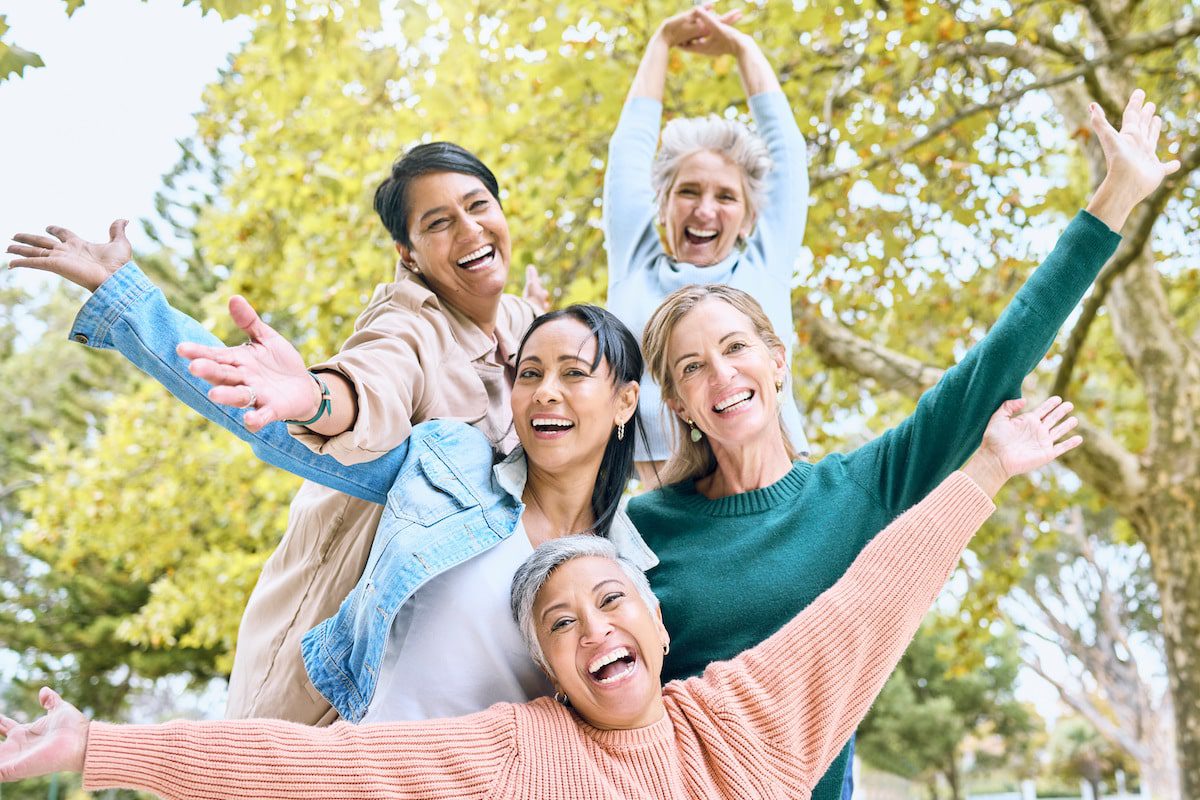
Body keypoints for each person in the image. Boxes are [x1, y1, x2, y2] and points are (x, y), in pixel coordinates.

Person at [0, 397, 1081, 799]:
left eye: (610, 601)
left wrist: (985, 469)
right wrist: (96, 747)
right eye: (558, 625)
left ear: (660, 623)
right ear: (550, 669)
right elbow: (316, 763)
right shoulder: (522, 749)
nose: (591, 627)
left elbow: (873, 595)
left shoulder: (747, 721)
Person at [628, 88, 1180, 800]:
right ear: (675, 401)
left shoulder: (861, 490)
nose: (722, 375)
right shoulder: (642, 529)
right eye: (693, 367)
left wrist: (1115, 197)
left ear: (777, 362)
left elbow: (1000, 355)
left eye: (736, 349)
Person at [7, 143, 547, 724]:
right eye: (438, 222)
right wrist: (315, 398)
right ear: (408, 255)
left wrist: (538, 327)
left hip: (455, 683)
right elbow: (370, 384)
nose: (469, 229)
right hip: (331, 680)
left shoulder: (516, 322)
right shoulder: (408, 327)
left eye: (478, 205)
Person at [604, 6, 811, 488]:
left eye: (725, 197)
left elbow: (788, 153)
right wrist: (660, 43)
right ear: (663, 204)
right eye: (689, 192)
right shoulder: (636, 265)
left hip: (778, 489)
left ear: (749, 216)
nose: (705, 211)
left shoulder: (764, 267)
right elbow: (628, 153)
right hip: (660, 500)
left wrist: (743, 48)